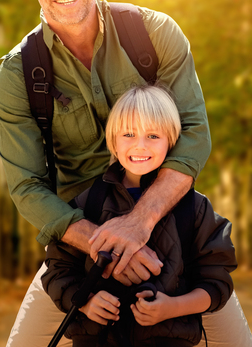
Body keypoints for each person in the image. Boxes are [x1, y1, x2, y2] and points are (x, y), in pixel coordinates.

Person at [0, 0, 252, 347]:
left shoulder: (155, 35)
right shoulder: (18, 74)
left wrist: (139, 224)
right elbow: (27, 188)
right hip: (78, 248)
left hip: (172, 229)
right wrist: (102, 242)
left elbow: (194, 135)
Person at [42, 84, 237, 347]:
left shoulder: (194, 207)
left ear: (172, 141)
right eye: (129, 134)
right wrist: (86, 303)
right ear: (113, 142)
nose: (140, 146)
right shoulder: (89, 202)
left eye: (153, 136)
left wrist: (173, 308)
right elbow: (58, 270)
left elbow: (217, 281)